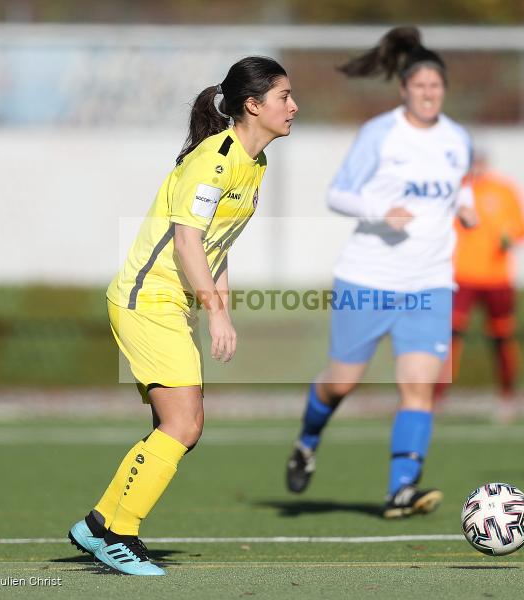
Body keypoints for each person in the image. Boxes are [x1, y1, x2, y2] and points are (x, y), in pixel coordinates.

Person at [67, 56, 298, 575]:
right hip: (146, 301)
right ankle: (118, 536)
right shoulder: (214, 161)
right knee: (184, 425)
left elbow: (217, 245)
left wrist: (222, 309)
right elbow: (188, 241)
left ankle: (100, 523)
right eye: (284, 97)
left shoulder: (254, 162)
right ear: (252, 105)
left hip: (167, 305)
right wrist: (215, 314)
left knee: (175, 429)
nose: (294, 106)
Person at [284, 27, 476, 519]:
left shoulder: (457, 138)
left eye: (436, 87)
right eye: (420, 87)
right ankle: (307, 440)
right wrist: (379, 209)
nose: (429, 94)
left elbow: (459, 186)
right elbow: (337, 193)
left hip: (430, 283)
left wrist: (468, 207)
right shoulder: (381, 133)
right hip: (368, 278)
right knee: (341, 384)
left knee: (418, 387)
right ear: (404, 89)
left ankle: (400, 490)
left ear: (444, 91)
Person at [434, 149, 524, 423]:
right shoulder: (453, 189)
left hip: (497, 277)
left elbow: (523, 228)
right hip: (460, 276)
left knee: (502, 338)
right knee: (450, 336)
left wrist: (510, 237)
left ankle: (508, 397)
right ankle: (437, 397)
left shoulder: (504, 190)